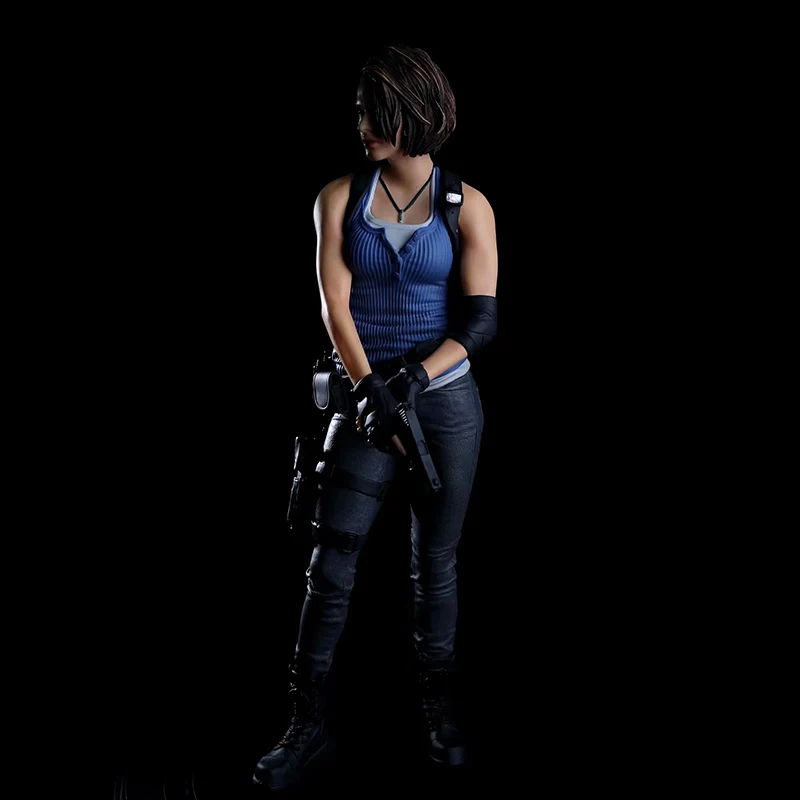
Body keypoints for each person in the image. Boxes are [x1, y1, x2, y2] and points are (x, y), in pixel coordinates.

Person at [253, 43, 498, 790]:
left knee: (436, 562)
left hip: (444, 402)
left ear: (411, 113)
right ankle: (307, 722)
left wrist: (413, 380)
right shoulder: (338, 197)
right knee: (331, 564)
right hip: (366, 398)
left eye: (374, 112)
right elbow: (334, 304)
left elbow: (481, 319)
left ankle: (438, 710)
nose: (361, 124)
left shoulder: (467, 205)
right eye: (361, 110)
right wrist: (369, 390)